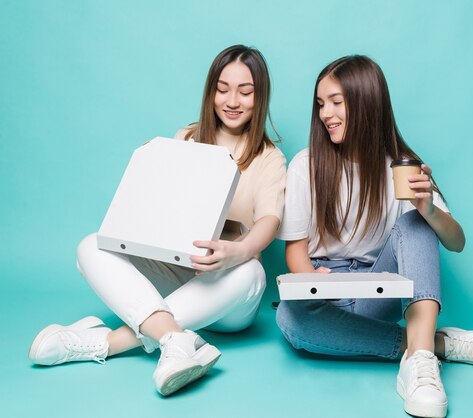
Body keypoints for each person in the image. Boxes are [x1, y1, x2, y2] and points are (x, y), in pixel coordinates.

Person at [28, 45, 286, 397]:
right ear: (211, 91)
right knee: (90, 244)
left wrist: (236, 253)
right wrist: (150, 166)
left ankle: (105, 342)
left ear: (261, 96)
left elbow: (268, 222)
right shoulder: (188, 137)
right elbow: (158, 207)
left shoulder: (269, 157)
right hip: (175, 273)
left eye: (245, 91)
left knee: (253, 272)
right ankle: (175, 341)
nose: (232, 100)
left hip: (228, 294)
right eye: (222, 89)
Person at [275, 55, 473, 418]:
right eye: (321, 104)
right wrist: (309, 278)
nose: (326, 114)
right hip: (325, 291)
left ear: (366, 101)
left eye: (336, 102)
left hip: (378, 292)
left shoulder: (401, 165)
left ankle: (419, 369)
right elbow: (295, 251)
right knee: (290, 321)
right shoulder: (305, 165)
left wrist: (428, 208)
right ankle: (432, 347)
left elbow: (456, 242)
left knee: (417, 223)